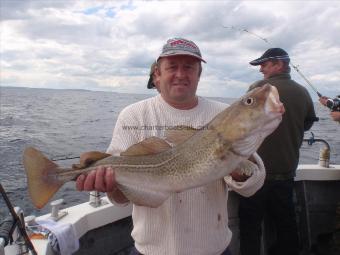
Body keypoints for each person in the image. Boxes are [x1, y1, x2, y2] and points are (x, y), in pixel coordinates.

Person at [76, 37, 266, 255]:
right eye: (172, 67)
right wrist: (109, 186)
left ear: (199, 74)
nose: (181, 74)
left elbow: (254, 184)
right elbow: (120, 198)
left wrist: (229, 162)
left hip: (213, 248)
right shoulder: (133, 116)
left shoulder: (223, 115)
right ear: (157, 74)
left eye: (189, 67)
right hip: (151, 250)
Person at [238, 48, 317, 255]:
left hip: (255, 175)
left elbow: (240, 123)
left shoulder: (258, 89)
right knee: (286, 227)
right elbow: (307, 123)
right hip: (286, 173)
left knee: (250, 228)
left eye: (264, 64)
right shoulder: (303, 92)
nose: (261, 70)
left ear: (279, 64)